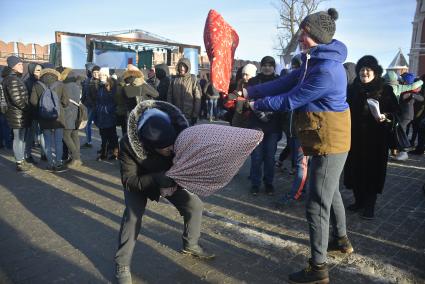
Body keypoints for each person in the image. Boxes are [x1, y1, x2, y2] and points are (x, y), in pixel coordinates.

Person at [242, 9, 353, 283]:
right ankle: (341, 240)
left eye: (303, 32)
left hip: (331, 139)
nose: (299, 37)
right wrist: (250, 91)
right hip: (320, 134)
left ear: (313, 36)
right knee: (331, 192)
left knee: (316, 203)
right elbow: (286, 81)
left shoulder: (326, 70)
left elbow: (291, 99)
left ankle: (318, 269)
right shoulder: (312, 60)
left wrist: (256, 105)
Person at [114, 100, 214, 284]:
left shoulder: (181, 134)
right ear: (150, 145)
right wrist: (157, 179)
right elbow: (129, 181)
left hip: (169, 177)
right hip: (140, 180)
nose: (171, 149)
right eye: (165, 148)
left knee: (194, 205)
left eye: (172, 144)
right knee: (132, 217)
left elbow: (190, 160)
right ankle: (122, 264)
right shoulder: (127, 144)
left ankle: (190, 244)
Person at [343, 56, 399, 221]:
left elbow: (396, 113)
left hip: (376, 141)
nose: (364, 72)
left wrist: (386, 117)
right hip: (354, 139)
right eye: (361, 69)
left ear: (375, 72)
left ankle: (369, 205)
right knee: (355, 171)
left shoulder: (385, 90)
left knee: (372, 173)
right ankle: (358, 201)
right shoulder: (352, 89)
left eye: (368, 69)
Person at [246, 56, 281, 196]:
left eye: (270, 65)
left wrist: (270, 113)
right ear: (261, 66)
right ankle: (255, 184)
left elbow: (280, 100)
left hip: (273, 126)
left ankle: (269, 183)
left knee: (270, 157)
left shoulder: (279, 81)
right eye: (265, 65)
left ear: (273, 67)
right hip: (256, 124)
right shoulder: (253, 81)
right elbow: (249, 99)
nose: (267, 67)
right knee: (256, 157)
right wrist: (261, 114)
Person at [30, 67, 69, 172]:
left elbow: (33, 101)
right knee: (58, 141)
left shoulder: (37, 85)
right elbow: (66, 102)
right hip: (58, 118)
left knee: (47, 141)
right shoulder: (60, 84)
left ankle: (50, 164)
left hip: (44, 117)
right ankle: (58, 164)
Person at [1, 56, 32, 171]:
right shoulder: (12, 79)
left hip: (19, 114)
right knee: (18, 138)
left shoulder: (13, 78)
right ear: (12, 66)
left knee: (21, 138)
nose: (22, 66)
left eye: (21, 64)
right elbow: (17, 99)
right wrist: (28, 108)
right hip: (17, 114)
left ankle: (21, 160)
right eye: (19, 64)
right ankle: (19, 162)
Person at [93, 67, 119, 161]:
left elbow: (114, 100)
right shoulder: (100, 85)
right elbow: (98, 100)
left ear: (107, 75)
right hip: (101, 113)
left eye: (103, 75)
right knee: (104, 134)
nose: (100, 77)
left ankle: (113, 153)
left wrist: (109, 110)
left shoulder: (112, 85)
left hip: (109, 113)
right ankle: (108, 152)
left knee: (111, 135)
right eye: (100, 75)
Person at [167, 58, 201, 126]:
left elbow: (197, 98)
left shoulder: (192, 79)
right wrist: (171, 111)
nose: (182, 68)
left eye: (184, 66)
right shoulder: (174, 80)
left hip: (189, 117)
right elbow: (169, 96)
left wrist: (195, 115)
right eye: (180, 66)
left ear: (187, 67)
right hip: (177, 115)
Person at [61, 68, 83, 168]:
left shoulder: (65, 86)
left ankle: (76, 158)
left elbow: (64, 102)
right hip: (76, 114)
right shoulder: (77, 85)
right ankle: (77, 159)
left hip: (68, 114)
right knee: (75, 136)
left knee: (66, 136)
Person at [81, 64, 100, 149]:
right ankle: (89, 141)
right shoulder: (87, 81)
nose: (96, 74)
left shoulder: (101, 82)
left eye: (97, 72)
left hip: (97, 106)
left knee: (96, 124)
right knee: (89, 123)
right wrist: (83, 102)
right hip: (89, 106)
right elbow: (85, 94)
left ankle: (90, 142)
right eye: (94, 72)